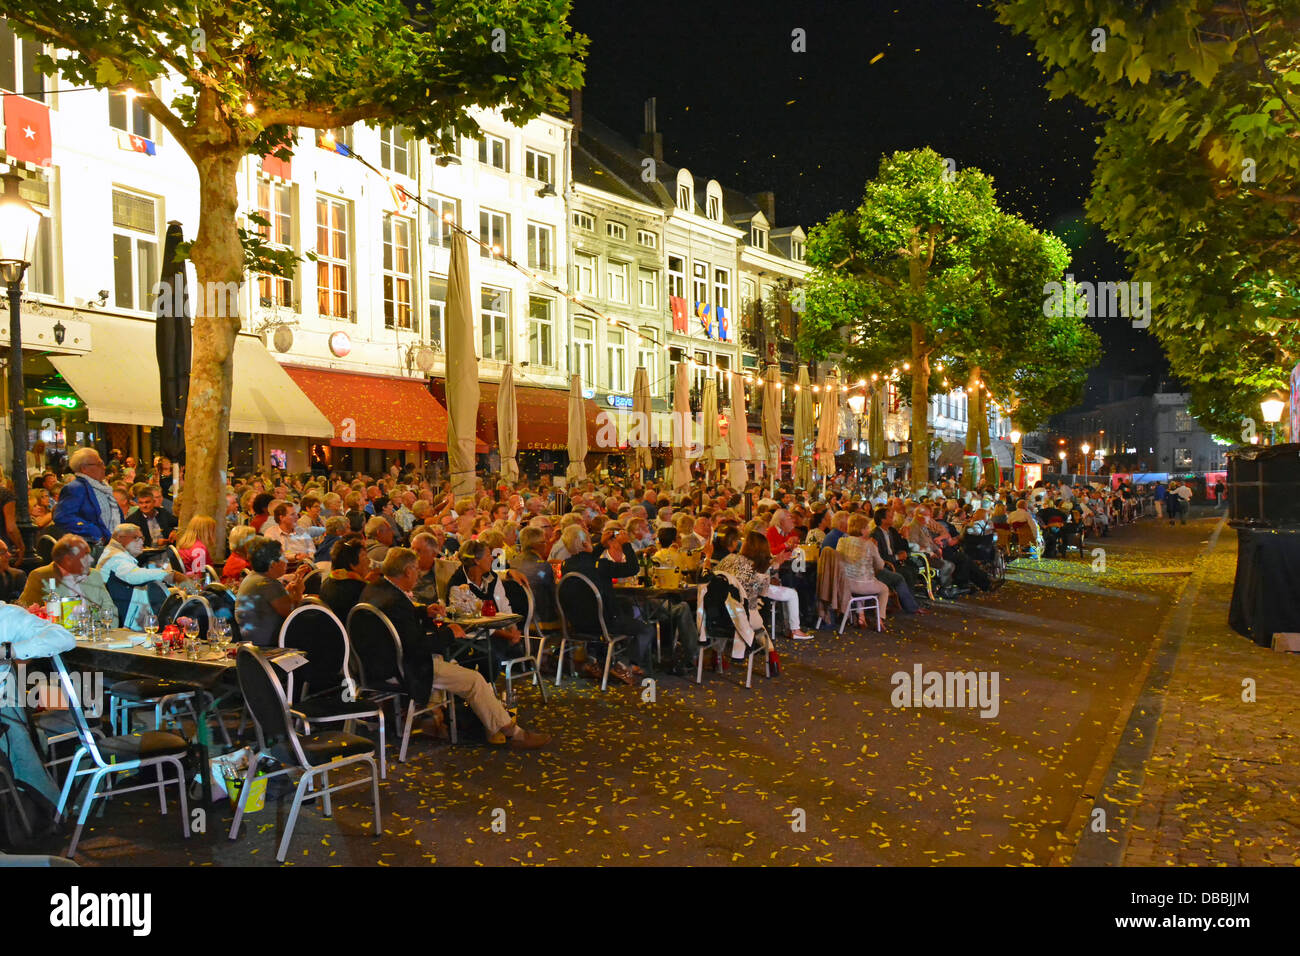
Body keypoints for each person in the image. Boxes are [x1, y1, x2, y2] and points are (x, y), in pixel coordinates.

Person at [359, 548, 550, 749]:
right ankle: (513, 733)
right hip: (402, 668)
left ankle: (437, 718)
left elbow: (399, 624)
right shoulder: (396, 602)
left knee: (454, 662)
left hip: (373, 665)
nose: (418, 574)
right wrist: (450, 633)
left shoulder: (375, 589)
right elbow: (417, 646)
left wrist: (423, 611)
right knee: (474, 680)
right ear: (407, 571)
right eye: (415, 569)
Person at [447, 538, 527, 662]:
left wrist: (513, 629)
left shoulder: (492, 578)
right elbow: (474, 623)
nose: (492, 559)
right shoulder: (458, 586)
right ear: (476, 560)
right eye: (488, 555)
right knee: (492, 656)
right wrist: (507, 635)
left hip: (495, 635)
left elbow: (504, 605)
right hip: (473, 639)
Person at [96, 524, 185, 629]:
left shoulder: (114, 553)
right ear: (120, 538)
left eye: (142, 538)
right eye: (135, 538)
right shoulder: (116, 557)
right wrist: (170, 575)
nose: (141, 542)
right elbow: (134, 575)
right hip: (120, 620)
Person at [18, 533, 117, 624]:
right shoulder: (41, 576)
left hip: (95, 637)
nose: (91, 559)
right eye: (85, 555)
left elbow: (111, 611)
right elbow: (24, 612)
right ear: (68, 559)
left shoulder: (94, 575)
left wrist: (105, 633)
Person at [234, 536, 310, 646]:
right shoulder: (267, 584)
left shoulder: (252, 577)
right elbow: (294, 615)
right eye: (283, 558)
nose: (286, 561)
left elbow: (274, 603)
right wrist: (299, 592)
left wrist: (288, 589)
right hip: (267, 648)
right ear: (273, 564)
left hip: (251, 642)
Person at [52, 448, 123, 551]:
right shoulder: (75, 488)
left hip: (113, 544)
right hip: (92, 548)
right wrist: (94, 532)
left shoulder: (103, 487)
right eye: (99, 464)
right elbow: (62, 516)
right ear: (84, 468)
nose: (104, 467)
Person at [836, 514, 893, 628]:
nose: (869, 529)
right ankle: (880, 618)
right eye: (867, 527)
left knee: (859, 586)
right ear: (861, 530)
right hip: (864, 585)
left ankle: (861, 616)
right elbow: (880, 565)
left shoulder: (841, 542)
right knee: (884, 589)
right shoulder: (869, 544)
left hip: (846, 583)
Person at [319, 537, 371, 621]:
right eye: (364, 557)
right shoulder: (361, 590)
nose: (369, 561)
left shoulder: (327, 582)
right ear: (352, 565)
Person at [124, 483, 179, 547]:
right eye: (141, 503)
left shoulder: (162, 512)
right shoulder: (133, 520)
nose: (144, 506)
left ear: (153, 502)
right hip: (146, 554)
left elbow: (177, 523)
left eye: (147, 502)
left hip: (167, 549)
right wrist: (155, 543)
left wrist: (175, 531)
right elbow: (133, 543)